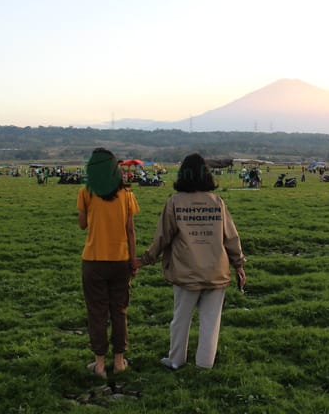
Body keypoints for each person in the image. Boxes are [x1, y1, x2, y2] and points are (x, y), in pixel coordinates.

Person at [138, 153, 246, 370]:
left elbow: (162, 237)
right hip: (217, 271)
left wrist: (145, 259)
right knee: (210, 322)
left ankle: (176, 360)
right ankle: (205, 364)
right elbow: (231, 237)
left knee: (180, 319)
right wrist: (239, 265)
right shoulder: (217, 202)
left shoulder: (174, 202)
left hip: (185, 272)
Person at [77, 148, 140, 378]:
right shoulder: (126, 195)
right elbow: (130, 230)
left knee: (97, 313)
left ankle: (100, 364)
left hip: (93, 260)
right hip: (120, 260)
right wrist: (133, 260)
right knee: (119, 311)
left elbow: (82, 225)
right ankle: (120, 361)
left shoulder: (86, 192)